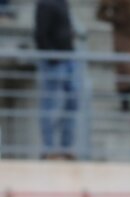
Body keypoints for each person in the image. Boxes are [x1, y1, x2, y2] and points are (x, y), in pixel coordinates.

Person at [34, 0, 78, 160]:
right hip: (54, 63)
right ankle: (49, 148)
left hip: (69, 59)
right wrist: (52, 58)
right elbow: (40, 34)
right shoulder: (45, 3)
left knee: (72, 103)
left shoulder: (63, 3)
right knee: (50, 105)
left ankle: (66, 147)